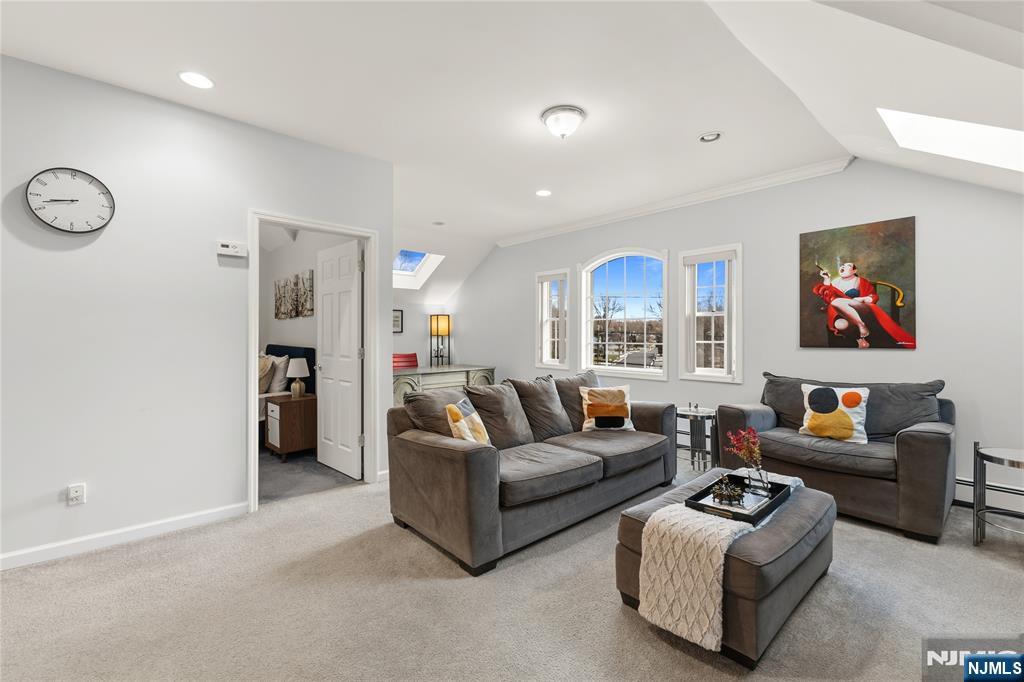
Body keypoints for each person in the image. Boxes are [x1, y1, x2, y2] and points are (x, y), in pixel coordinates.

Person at [813, 262, 916, 349]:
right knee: (841, 324)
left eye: (848, 265)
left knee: (835, 302)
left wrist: (862, 299)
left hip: (859, 307)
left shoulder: (861, 281)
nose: (843, 266)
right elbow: (827, 297)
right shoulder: (834, 282)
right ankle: (861, 340)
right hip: (839, 312)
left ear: (854, 271)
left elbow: (873, 296)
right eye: (842, 265)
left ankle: (861, 324)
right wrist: (826, 279)